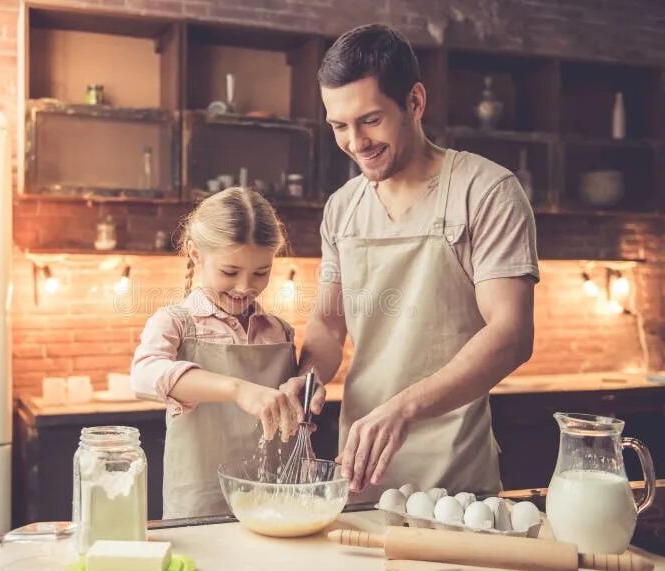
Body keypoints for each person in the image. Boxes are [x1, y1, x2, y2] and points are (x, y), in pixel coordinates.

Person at [287, 24, 538, 502]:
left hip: (457, 481)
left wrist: (403, 407)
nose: (356, 142)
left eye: (370, 120)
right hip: (360, 471)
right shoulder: (342, 208)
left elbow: (511, 334)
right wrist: (306, 381)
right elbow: (328, 323)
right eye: (339, 126)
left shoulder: (486, 191)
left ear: (415, 103)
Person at [131, 187, 326, 519]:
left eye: (261, 273)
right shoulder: (175, 323)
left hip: (275, 501)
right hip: (199, 504)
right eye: (230, 272)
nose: (244, 287)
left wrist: (304, 392)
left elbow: (288, 410)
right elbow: (144, 376)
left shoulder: (279, 331)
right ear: (195, 255)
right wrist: (238, 389)